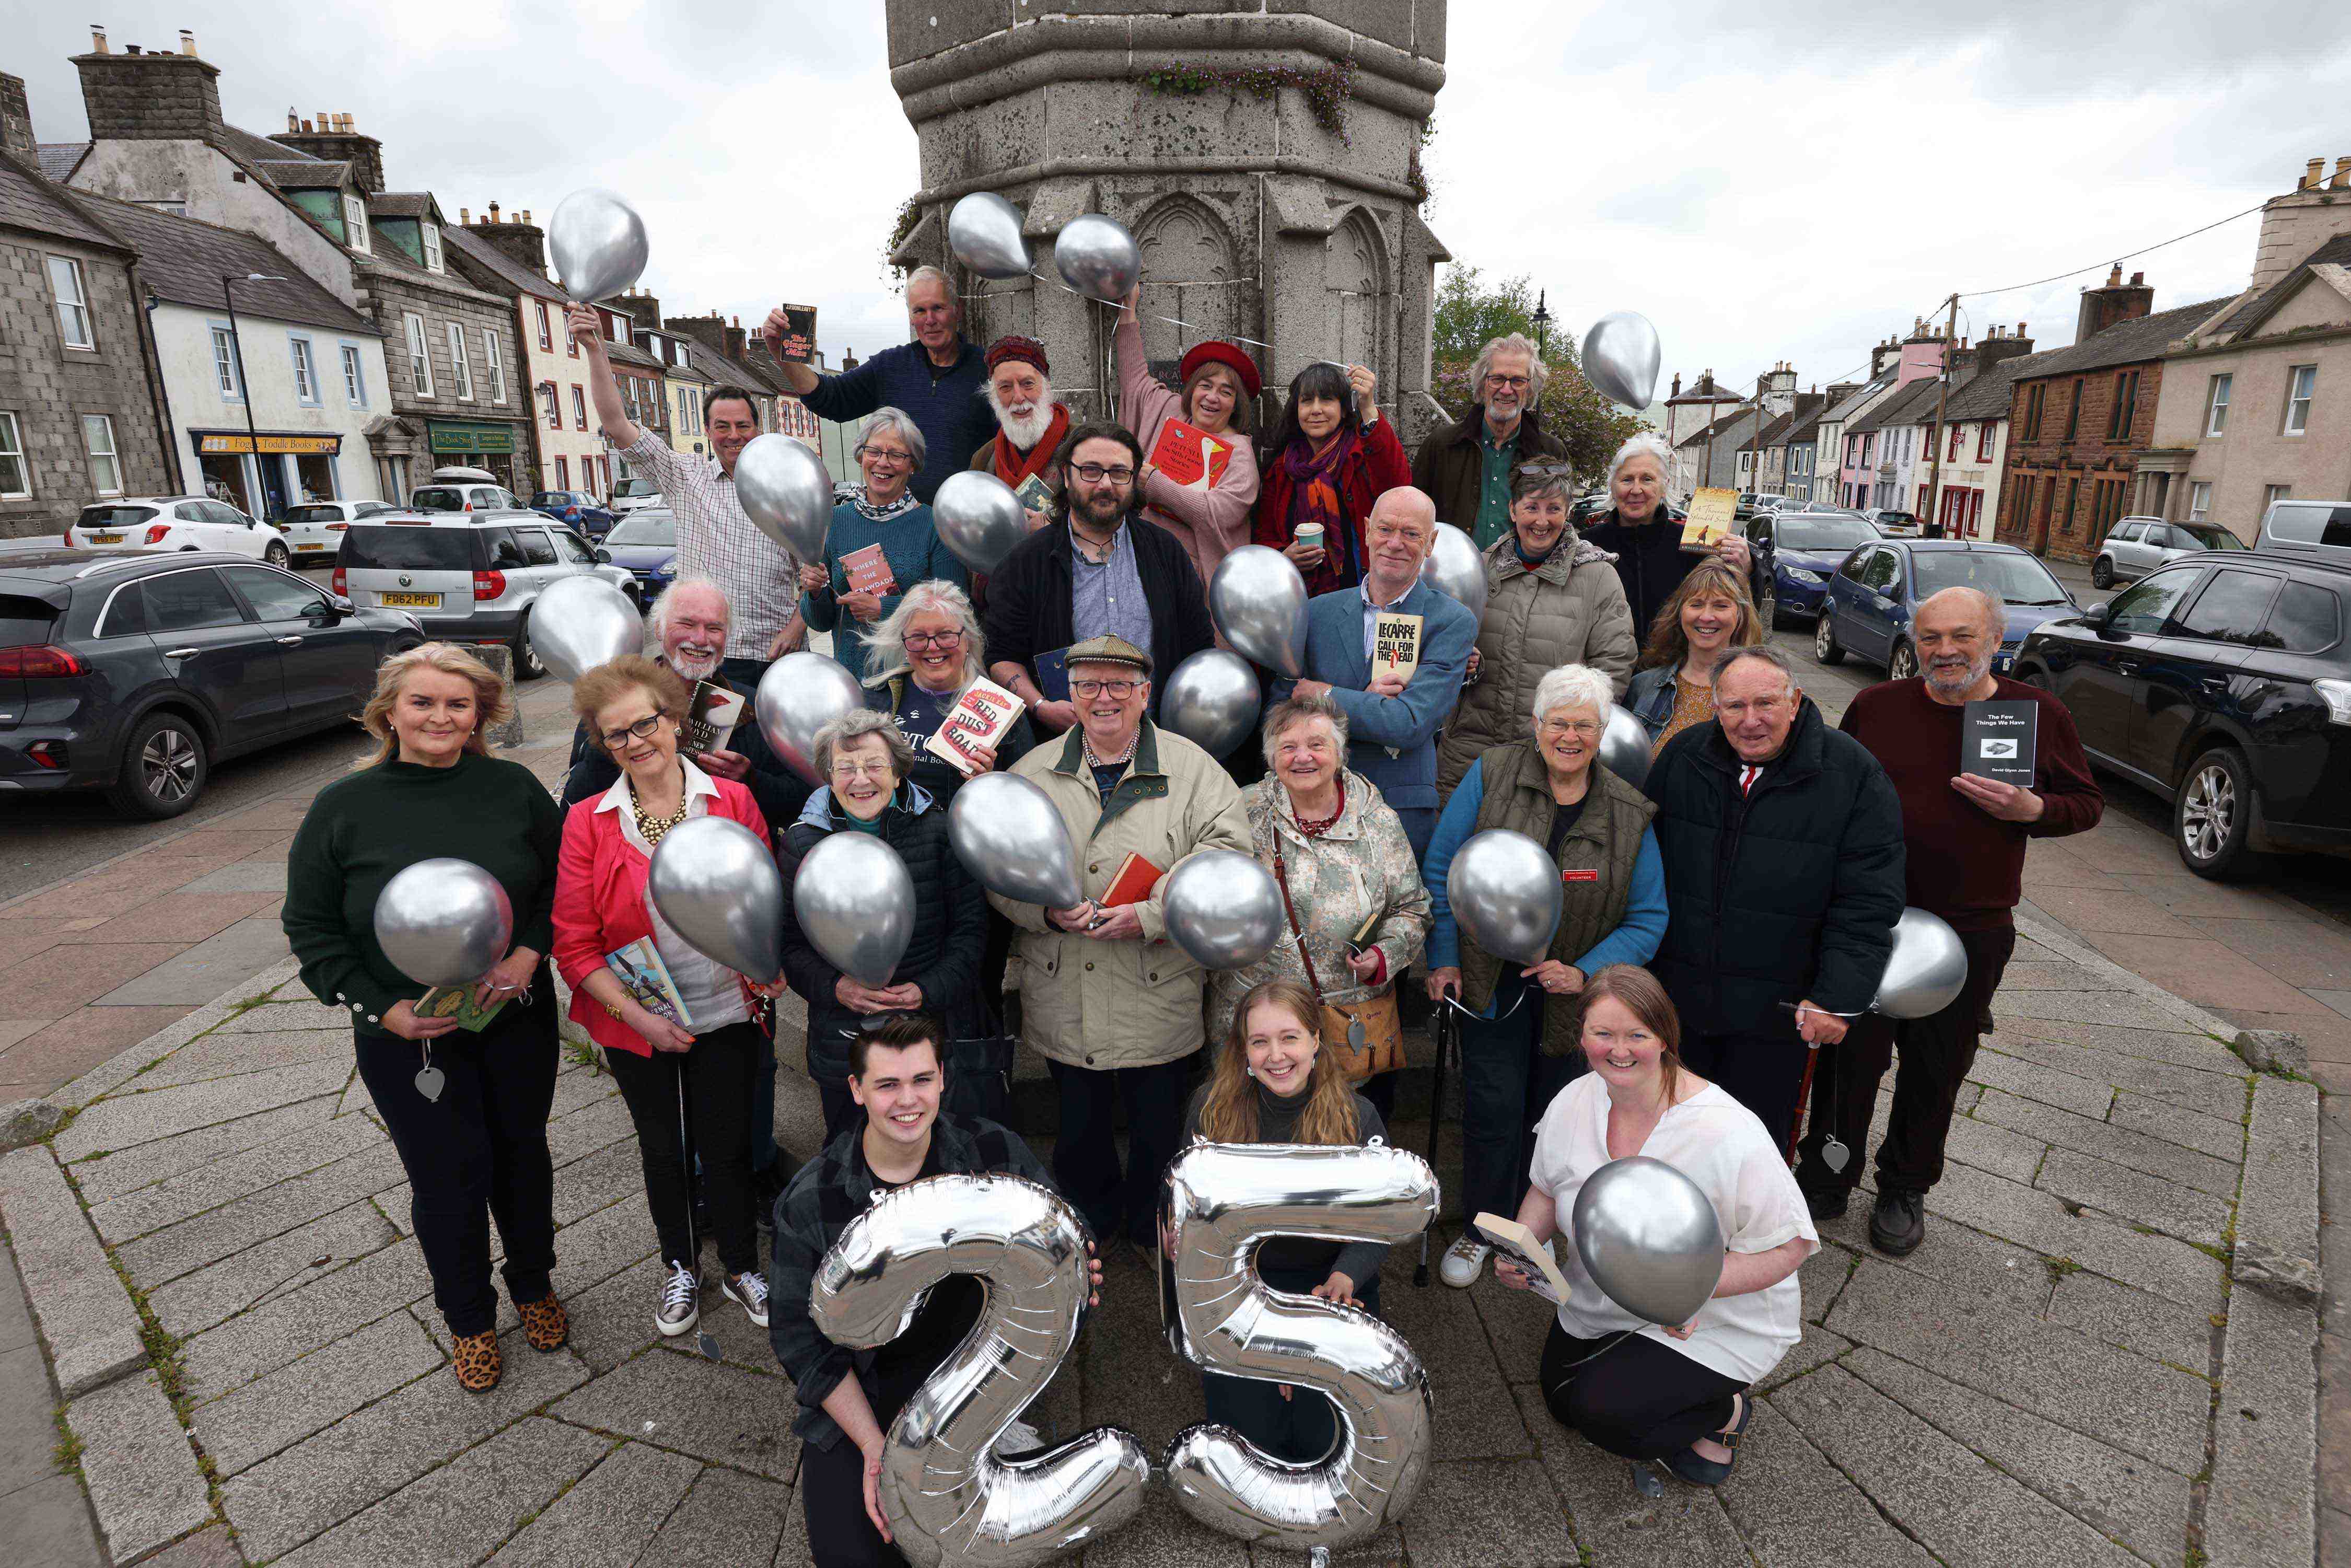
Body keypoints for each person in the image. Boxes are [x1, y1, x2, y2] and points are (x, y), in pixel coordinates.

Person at [282, 645, 565, 1391]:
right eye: (423, 702)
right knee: (446, 1179)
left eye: (458, 704)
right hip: (406, 1040)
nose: (441, 717)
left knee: (521, 1157)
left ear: (481, 715)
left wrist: (532, 954)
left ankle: (534, 1283)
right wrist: (385, 1009)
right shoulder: (343, 807)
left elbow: (560, 886)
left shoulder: (512, 788)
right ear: (389, 713)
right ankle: (469, 1319)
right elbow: (311, 929)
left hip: (515, 1019)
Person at [1799, 588, 2103, 1255]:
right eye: (1932, 636)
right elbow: (1831, 788)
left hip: (1972, 926)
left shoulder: (2035, 713)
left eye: (1962, 636)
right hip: (1869, 921)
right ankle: (1826, 1171)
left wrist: (2033, 811)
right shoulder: (1879, 707)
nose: (1945, 650)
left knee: (1937, 1066)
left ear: (1996, 640)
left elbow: (2084, 802)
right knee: (1849, 1057)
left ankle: (1905, 1186)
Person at [767, 1014, 1098, 1568]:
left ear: (943, 1078)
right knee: (855, 1557)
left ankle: (1003, 1436)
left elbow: (1066, 1229)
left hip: (975, 1382)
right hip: (867, 1394)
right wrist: (873, 1448)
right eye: (887, 1084)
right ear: (856, 1089)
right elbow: (801, 1344)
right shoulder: (813, 1197)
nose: (908, 1101)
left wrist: (1079, 1266)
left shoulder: (994, 1151)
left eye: (921, 1080)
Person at [1498, 966, 1818, 1486]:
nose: (1618, 1051)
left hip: (1711, 1311)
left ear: (1665, 1038)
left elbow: (1791, 1247)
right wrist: (1522, 1246)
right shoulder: (1575, 1099)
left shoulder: (1727, 1130)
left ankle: (1726, 1411)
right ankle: (1644, 1376)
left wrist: (1688, 1286)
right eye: (1603, 1034)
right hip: (1606, 1294)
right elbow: (1547, 1186)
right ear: (1582, 1037)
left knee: (1607, 1418)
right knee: (1563, 1404)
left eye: (1636, 1036)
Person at [991, 634, 1251, 1253]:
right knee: (1078, 1129)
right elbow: (998, 875)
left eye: (1117, 685)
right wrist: (1045, 913)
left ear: (1144, 694)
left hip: (1154, 981)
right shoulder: (1031, 773)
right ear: (1071, 694)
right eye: (1087, 685)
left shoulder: (1195, 771)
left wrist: (1154, 914)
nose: (1102, 698)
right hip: (1066, 985)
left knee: (1159, 1128)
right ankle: (1090, 1224)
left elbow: (1231, 859)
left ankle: (1152, 1226)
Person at [1423, 663, 1668, 1287]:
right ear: (1536, 725)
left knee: (1559, 1116)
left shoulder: (1628, 812)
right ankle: (1481, 1228)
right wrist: (1445, 956)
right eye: (1558, 722)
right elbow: (1444, 870)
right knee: (1492, 1108)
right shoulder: (1493, 774)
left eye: (1584, 725)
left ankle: (1533, 1234)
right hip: (1490, 979)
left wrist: (1584, 972)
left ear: (1602, 731)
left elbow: (1648, 918)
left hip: (1578, 1000)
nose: (1569, 736)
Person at [552, 657, 773, 1338]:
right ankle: (680, 1264)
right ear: (604, 744)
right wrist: (642, 1018)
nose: (636, 741)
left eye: (646, 722)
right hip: (636, 1018)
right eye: (617, 734)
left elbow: (765, 898)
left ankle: (740, 1265)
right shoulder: (589, 821)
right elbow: (573, 942)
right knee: (663, 1148)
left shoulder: (731, 801)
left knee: (729, 1145)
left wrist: (769, 968)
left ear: (675, 721)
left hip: (726, 1008)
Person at [1643, 644, 1906, 1150]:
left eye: (1765, 703)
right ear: (1715, 707)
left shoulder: (1854, 776)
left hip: (1778, 1016)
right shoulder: (1683, 758)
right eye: (1735, 707)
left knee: (1751, 1154)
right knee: (1669, 1141)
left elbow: (1868, 901)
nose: (1750, 721)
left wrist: (1837, 995)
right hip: (1680, 1004)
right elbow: (1644, 869)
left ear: (1795, 701)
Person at [1175, 979, 1394, 1461]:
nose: (1276, 1054)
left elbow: (1378, 1225)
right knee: (1253, 1447)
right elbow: (1190, 1215)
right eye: (1260, 1041)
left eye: (1290, 1037)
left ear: (1317, 1039)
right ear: (1244, 1049)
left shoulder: (1360, 1116)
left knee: (1322, 1444)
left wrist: (1345, 1277)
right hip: (1241, 1291)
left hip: (1330, 1287)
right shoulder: (1210, 1111)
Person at [1206, 696, 1431, 1119]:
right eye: (1288, 747)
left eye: (1317, 744)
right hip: (1254, 1033)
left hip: (1343, 1031)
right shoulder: (1240, 811)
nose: (1303, 756)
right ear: (1271, 758)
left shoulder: (1377, 821)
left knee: (1343, 1148)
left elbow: (1413, 907)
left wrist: (1384, 956)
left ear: (1340, 754)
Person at [778, 710, 986, 1149]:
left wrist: (925, 990)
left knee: (934, 1155)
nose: (860, 780)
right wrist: (836, 987)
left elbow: (970, 933)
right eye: (845, 768)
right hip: (843, 1041)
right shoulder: (802, 843)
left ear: (897, 771)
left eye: (874, 765)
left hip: (927, 1034)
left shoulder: (938, 831)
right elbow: (791, 947)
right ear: (828, 777)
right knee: (848, 1156)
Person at [571, 303, 803, 683]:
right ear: (708, 431)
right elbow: (616, 422)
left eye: (743, 425)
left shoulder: (788, 492)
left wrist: (797, 627)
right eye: (722, 426)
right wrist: (596, 349)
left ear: (758, 428)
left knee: (766, 747)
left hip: (774, 654)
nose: (733, 435)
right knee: (703, 745)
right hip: (703, 655)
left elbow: (816, 576)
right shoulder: (683, 476)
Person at [1277, 486, 1474, 858]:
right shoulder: (1316, 612)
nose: (1395, 543)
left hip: (1397, 809)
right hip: (1312, 802)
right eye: (1385, 529)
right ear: (1367, 531)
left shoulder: (1451, 622)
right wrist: (1366, 702)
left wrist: (1327, 695)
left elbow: (1408, 723)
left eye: (1411, 534)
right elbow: (1281, 706)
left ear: (1430, 543)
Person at [982, 424, 1218, 733]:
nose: (1106, 484)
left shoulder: (1165, 551)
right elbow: (1001, 655)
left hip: (1156, 736)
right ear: (1066, 476)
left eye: (1119, 473)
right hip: (1062, 743)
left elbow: (1198, 644)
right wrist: (1041, 708)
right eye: (1091, 471)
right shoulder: (1026, 562)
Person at [1436, 467, 1638, 795]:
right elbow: (1440, 654)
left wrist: (1570, 735)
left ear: (1568, 513)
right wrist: (1463, 668)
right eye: (1531, 507)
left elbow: (1614, 667)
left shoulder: (1598, 577)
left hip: (1551, 757)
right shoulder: (1479, 569)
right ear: (1512, 510)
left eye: (1554, 509)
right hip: (1469, 752)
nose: (1542, 521)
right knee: (1455, 842)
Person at [559, 577, 809, 828]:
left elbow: (799, 806)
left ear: (727, 637)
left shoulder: (754, 706)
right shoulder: (612, 705)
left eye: (714, 628)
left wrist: (752, 780)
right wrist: (614, 748)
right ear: (659, 629)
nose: (700, 639)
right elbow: (574, 808)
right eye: (687, 624)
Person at [762, 266, 993, 504]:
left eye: (938, 308)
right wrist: (783, 359)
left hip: (963, 527)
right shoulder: (890, 366)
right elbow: (831, 398)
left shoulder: (988, 372)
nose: (930, 320)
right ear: (912, 319)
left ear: (958, 311)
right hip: (896, 522)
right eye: (920, 311)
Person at [798, 409, 969, 686]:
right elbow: (820, 622)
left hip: (917, 680)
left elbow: (955, 609)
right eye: (874, 451)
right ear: (861, 456)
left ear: (913, 464)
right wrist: (815, 592)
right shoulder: (833, 521)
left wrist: (884, 608)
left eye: (896, 455)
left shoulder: (935, 525)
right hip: (852, 678)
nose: (883, 462)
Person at [1114, 287, 1263, 591]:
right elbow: (1134, 381)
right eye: (1205, 386)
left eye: (1226, 392)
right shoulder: (1170, 411)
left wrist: (1154, 483)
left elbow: (1217, 513)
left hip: (1191, 578)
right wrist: (1128, 310)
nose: (1212, 398)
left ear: (1236, 404)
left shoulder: (1240, 455)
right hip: (1138, 557)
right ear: (1191, 390)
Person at [862, 579, 1037, 804]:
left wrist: (989, 783)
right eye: (918, 637)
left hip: (963, 833)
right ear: (904, 644)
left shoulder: (1003, 709)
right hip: (893, 834)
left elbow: (1026, 796)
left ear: (968, 640)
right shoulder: (877, 699)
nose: (933, 647)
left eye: (945, 634)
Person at [1251, 360, 1412, 597]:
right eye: (1307, 401)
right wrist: (1283, 556)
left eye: (1326, 400)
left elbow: (1399, 488)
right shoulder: (1283, 467)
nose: (1316, 410)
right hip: (1299, 599)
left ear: (1344, 409)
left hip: (1360, 593)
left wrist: (1368, 408)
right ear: (1296, 411)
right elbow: (1264, 534)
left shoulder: (1361, 452)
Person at [1581, 432, 1752, 647]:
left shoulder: (1696, 547)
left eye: (1647, 479)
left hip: (1676, 672)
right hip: (1604, 672)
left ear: (1665, 486)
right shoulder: (1587, 546)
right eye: (1627, 480)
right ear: (1613, 486)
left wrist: (1745, 569)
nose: (1636, 489)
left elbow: (1735, 613)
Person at [1411, 332, 1572, 549]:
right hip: (1452, 577)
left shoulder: (1552, 452)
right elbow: (1414, 517)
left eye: (1518, 381)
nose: (1506, 390)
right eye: (1497, 379)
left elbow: (1560, 525)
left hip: (1524, 579)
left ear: (1530, 388)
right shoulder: (1442, 445)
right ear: (1482, 383)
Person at [1622, 560, 1766, 750]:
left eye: (1721, 606)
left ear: (1741, 615)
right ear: (1680, 612)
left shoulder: (1763, 693)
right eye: (1696, 604)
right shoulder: (1642, 687)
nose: (1706, 617)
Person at [969, 335, 1070, 533]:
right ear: (993, 396)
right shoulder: (983, 459)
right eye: (1005, 387)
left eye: (1027, 384)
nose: (1018, 397)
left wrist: (1059, 528)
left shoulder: (1083, 444)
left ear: (1046, 385)